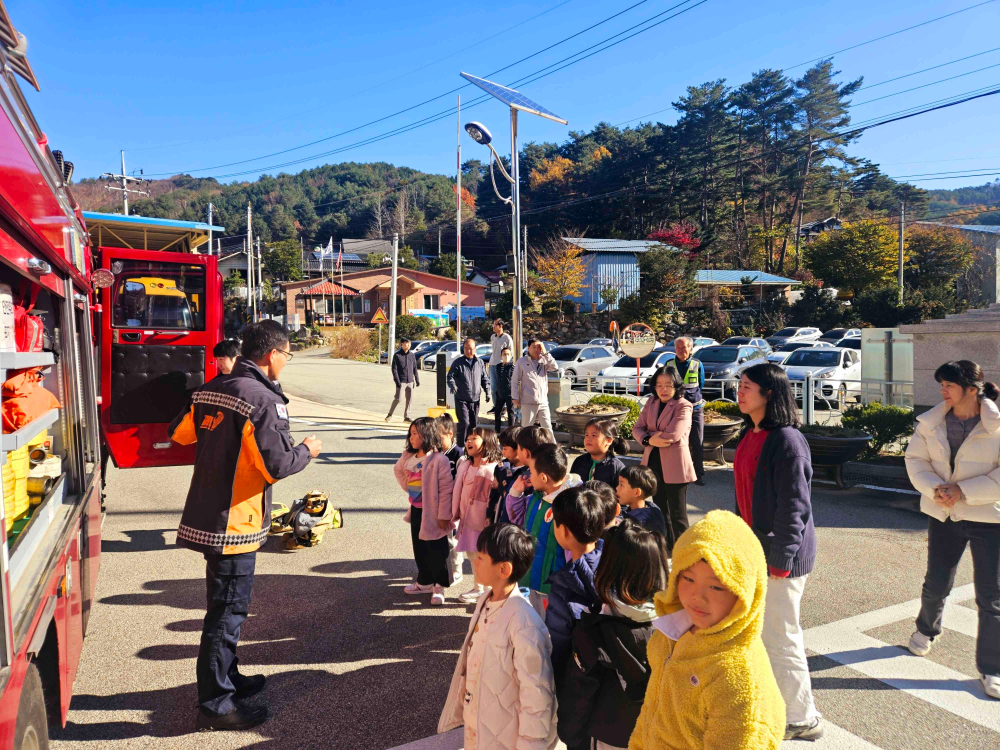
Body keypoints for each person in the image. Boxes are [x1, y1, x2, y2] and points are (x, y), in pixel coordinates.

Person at [169, 320, 322, 731]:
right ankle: (217, 703)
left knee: (223, 607)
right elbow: (277, 465)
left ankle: (229, 679)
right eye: (287, 356)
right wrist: (307, 450)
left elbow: (180, 434)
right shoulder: (261, 399)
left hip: (206, 514)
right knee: (227, 613)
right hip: (235, 522)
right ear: (273, 354)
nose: (286, 363)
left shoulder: (211, 389)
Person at [630, 510, 785, 750]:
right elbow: (652, 707)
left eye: (716, 587)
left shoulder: (739, 681)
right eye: (688, 579)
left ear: (745, 594)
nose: (696, 597)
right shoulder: (673, 630)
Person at [734, 362, 821, 740]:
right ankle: (773, 703)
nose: (739, 390)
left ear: (769, 393)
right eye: (740, 384)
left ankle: (803, 718)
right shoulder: (750, 432)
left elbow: (795, 506)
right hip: (756, 549)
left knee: (782, 635)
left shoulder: (786, 440)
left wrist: (781, 559)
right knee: (761, 633)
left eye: (747, 386)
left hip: (780, 557)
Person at [905, 360, 1000, 701]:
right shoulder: (932, 422)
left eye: (949, 385)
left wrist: (963, 491)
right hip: (943, 513)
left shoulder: (997, 425)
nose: (942, 390)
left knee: (991, 596)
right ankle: (926, 629)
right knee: (937, 582)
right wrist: (935, 488)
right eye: (941, 383)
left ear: (972, 390)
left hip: (989, 519)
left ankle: (993, 667)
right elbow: (915, 460)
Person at [438, 523, 559, 750]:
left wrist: (531, 744)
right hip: (482, 723)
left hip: (507, 735)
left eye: (481, 558)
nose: (474, 561)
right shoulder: (486, 600)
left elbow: (537, 692)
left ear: (504, 570)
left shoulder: (524, 623)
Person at [557, 519, 668, 750]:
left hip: (606, 737)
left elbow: (578, 697)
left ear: (608, 568)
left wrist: (571, 738)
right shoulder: (674, 627)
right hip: (655, 736)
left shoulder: (593, 628)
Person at [510, 443, 582, 616]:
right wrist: (515, 493)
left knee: (551, 623)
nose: (528, 475)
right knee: (537, 617)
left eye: (531, 472)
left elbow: (574, 552)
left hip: (553, 583)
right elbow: (517, 517)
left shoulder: (570, 504)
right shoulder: (537, 496)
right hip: (533, 574)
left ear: (543, 477)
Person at [632, 365, 696, 551]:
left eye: (668, 385)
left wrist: (649, 436)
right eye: (659, 385)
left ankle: (685, 550)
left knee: (678, 513)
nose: (663, 389)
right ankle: (667, 544)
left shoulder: (684, 405)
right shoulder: (651, 402)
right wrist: (650, 438)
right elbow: (637, 428)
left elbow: (672, 436)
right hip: (653, 462)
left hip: (676, 465)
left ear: (676, 385)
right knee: (660, 509)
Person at [393, 417, 456, 606]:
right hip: (417, 510)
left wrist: (444, 515)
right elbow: (398, 471)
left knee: (437, 549)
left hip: (435, 513)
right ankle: (425, 581)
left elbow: (446, 490)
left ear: (427, 434)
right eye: (410, 434)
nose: (411, 438)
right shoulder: (408, 456)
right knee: (420, 548)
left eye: (415, 434)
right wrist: (409, 488)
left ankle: (439, 585)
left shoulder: (438, 459)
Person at [547, 486, 606, 680]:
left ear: (563, 530)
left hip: (578, 679)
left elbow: (558, 647)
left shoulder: (563, 587)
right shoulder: (617, 559)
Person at [453, 427, 503, 604]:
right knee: (473, 556)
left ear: (487, 442)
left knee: (485, 556)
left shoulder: (493, 468)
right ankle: (478, 587)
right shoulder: (464, 464)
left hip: (483, 522)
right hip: (467, 520)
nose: (469, 441)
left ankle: (489, 590)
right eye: (467, 438)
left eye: (474, 438)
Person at [505, 425, 557, 526]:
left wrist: (515, 493)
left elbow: (519, 518)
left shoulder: (529, 481)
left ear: (525, 452)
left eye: (518, 448)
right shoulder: (553, 477)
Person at [672, 336, 706, 486]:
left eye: (684, 347)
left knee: (697, 442)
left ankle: (698, 474)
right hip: (675, 409)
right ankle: (678, 472)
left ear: (691, 349)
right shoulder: (669, 364)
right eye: (677, 347)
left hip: (695, 409)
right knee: (676, 441)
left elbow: (701, 383)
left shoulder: (697, 364)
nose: (680, 350)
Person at [437, 413, 466, 585]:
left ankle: (457, 569)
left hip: (453, 504)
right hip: (439, 502)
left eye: (439, 437)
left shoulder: (458, 455)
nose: (436, 441)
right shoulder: (436, 454)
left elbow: (460, 481)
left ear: (450, 434)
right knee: (442, 537)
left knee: (453, 539)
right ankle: (444, 567)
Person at [447, 337, 490, 446]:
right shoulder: (458, 363)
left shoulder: (480, 362)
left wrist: (488, 391)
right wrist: (452, 385)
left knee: (473, 425)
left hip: (475, 400)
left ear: (475, 349)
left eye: (470, 348)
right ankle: (461, 446)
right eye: (466, 348)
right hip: (461, 399)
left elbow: (484, 379)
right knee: (464, 423)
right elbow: (450, 376)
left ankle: (471, 447)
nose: (468, 351)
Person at [512, 339, 558, 432]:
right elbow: (514, 380)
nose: (536, 349)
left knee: (547, 429)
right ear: (528, 348)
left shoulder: (544, 360)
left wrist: (546, 353)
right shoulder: (522, 361)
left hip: (543, 402)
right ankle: (524, 446)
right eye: (534, 347)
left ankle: (551, 446)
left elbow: (555, 367)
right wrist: (514, 397)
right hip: (528, 401)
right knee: (526, 429)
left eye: (539, 347)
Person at [569, 418, 628, 487]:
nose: (588, 439)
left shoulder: (616, 467)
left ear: (608, 441)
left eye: (594, 435)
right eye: (586, 435)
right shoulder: (579, 462)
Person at [616, 465, 668, 540]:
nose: (617, 488)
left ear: (637, 492)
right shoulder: (652, 508)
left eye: (621, 485)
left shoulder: (641, 524)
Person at [489, 426, 525, 525]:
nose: (502, 452)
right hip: (498, 518)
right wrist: (489, 515)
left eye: (505, 448)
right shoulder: (501, 467)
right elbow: (494, 493)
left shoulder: (529, 473)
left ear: (519, 448)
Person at [387, 337, 420, 423]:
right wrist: (397, 381)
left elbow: (415, 368)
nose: (408, 345)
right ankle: (390, 414)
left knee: (410, 399)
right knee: (398, 398)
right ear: (401, 344)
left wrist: (417, 378)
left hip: (410, 381)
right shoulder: (397, 355)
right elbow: (394, 369)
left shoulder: (412, 355)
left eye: (409, 343)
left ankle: (407, 417)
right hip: (401, 381)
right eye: (406, 343)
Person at [487, 319, 513, 413]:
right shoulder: (492, 337)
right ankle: (496, 406)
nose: (493, 327)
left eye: (495, 325)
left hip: (502, 365)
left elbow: (511, 353)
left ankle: (505, 407)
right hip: (492, 364)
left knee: (503, 387)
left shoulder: (507, 338)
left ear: (500, 326)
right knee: (493, 388)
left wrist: (508, 364)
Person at [493, 346, 516, 430]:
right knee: (497, 412)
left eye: (508, 354)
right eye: (504, 354)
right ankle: (497, 431)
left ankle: (510, 432)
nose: (506, 356)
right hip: (499, 393)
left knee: (511, 413)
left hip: (510, 393)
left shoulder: (512, 367)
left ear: (511, 356)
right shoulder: (498, 367)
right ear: (501, 356)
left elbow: (516, 380)